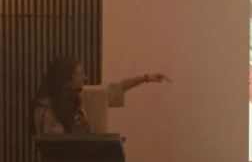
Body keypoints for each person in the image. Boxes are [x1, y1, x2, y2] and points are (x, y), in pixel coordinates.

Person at [32, 56, 170, 135]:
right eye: (79, 74)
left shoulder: (82, 96)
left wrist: (145, 78)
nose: (84, 78)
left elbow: (115, 88)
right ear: (66, 78)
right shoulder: (46, 108)